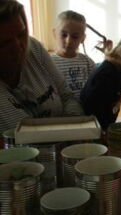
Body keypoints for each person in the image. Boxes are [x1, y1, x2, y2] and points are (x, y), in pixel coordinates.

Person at [0, 0, 83, 135]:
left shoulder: (34, 48)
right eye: (3, 43)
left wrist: (75, 132)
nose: (18, 47)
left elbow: (67, 96)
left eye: (21, 34)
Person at [51, 10, 96, 100]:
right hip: (60, 112)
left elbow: (96, 85)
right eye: (64, 35)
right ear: (54, 34)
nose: (68, 41)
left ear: (83, 38)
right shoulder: (48, 61)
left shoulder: (87, 62)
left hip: (85, 112)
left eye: (75, 36)